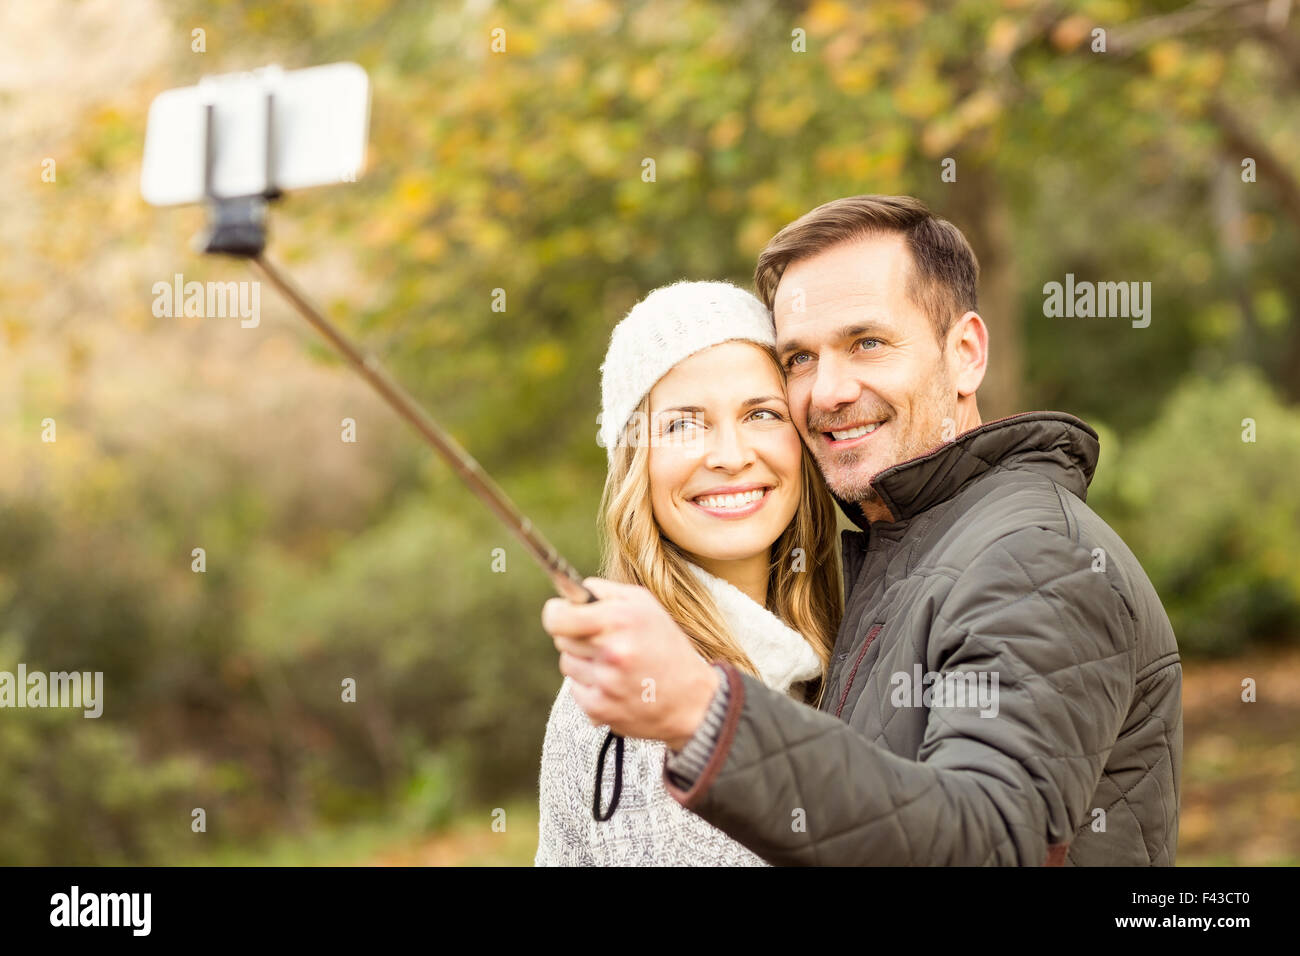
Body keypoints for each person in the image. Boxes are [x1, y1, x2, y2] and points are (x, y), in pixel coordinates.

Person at [542, 195, 1183, 866]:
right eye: (799, 359)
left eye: (866, 343)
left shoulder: (1036, 556)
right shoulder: (894, 562)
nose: (828, 391)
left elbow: (991, 843)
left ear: (965, 353)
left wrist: (704, 716)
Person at [534, 280, 843, 866]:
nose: (730, 454)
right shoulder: (628, 702)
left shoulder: (844, 646)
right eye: (683, 424)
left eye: (761, 413)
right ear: (636, 464)